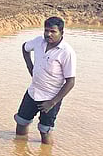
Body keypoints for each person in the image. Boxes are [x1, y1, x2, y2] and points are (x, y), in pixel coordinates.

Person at [14, 16, 76, 145]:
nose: (48, 34)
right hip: (33, 92)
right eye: (46, 30)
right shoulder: (38, 42)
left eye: (53, 31)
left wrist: (52, 102)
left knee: (45, 131)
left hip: (51, 97)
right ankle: (19, 152)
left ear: (61, 32)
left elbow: (70, 82)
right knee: (21, 122)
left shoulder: (66, 52)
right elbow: (25, 48)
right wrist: (30, 67)